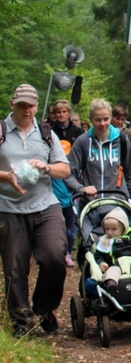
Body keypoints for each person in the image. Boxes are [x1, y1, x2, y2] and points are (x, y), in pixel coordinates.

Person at [0, 84, 70, 337]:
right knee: (15, 266)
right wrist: (7, 176)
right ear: (12, 104)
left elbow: (65, 169)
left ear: (37, 106)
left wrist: (46, 167)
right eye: (21, 105)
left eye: (31, 105)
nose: (26, 110)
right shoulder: (2, 131)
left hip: (45, 205)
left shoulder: (46, 133)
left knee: (54, 257)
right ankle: (21, 319)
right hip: (8, 207)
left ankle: (44, 308)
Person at [65, 99, 131, 202]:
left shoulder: (122, 140)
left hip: (118, 202)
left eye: (106, 119)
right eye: (98, 120)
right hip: (91, 203)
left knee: (111, 219)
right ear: (91, 119)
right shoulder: (83, 141)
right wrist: (81, 189)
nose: (102, 123)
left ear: (111, 117)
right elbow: (68, 174)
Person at [49, 99, 85, 267]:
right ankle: (57, 250)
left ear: (69, 113)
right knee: (56, 220)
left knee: (71, 221)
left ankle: (69, 251)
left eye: (64, 112)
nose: (61, 115)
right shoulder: (49, 131)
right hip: (54, 179)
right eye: (58, 112)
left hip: (72, 178)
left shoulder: (77, 132)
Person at [92, 206, 131, 297]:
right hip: (115, 264)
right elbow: (99, 255)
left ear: (123, 228)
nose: (110, 232)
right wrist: (101, 263)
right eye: (107, 229)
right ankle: (111, 284)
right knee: (112, 271)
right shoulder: (105, 241)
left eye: (114, 229)